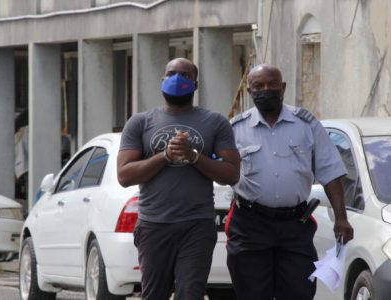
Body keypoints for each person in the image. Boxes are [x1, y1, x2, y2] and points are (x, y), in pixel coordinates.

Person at [225, 64, 354, 300]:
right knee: (251, 293)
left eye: (272, 84)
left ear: (283, 87)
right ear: (249, 90)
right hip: (249, 225)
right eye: (258, 86)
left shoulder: (307, 124)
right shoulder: (235, 128)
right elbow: (222, 171)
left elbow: (331, 172)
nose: (266, 90)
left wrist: (341, 218)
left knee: (299, 291)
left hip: (295, 224)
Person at [117, 57, 240, 300]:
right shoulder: (140, 122)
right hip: (154, 224)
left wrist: (193, 156)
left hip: (197, 224)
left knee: (190, 293)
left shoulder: (215, 122)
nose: (177, 79)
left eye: (185, 75)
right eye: (172, 73)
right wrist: (165, 155)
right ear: (162, 80)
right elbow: (124, 175)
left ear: (195, 84)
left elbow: (231, 173)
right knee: (154, 294)